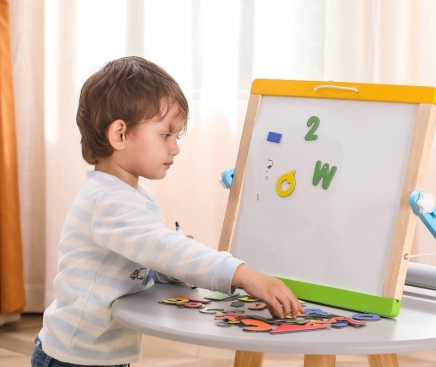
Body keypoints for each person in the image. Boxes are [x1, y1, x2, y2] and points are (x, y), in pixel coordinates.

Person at [31, 56, 303, 367]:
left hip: (106, 352)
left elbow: (144, 256)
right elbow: (166, 249)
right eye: (166, 134)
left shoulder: (135, 196)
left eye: (177, 136)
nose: (175, 147)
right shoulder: (106, 201)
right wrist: (242, 273)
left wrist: (164, 268)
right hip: (75, 356)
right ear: (119, 134)